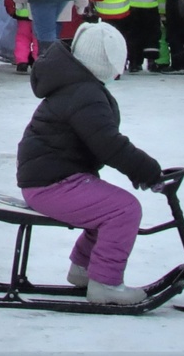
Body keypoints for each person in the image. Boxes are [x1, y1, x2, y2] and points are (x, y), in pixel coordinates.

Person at [16, 24, 171, 308]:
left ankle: (84, 269)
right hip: (51, 183)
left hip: (50, 178)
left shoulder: (77, 87)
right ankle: (106, 284)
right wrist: (146, 169)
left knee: (107, 206)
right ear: (106, 65)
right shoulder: (84, 94)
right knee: (123, 209)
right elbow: (108, 144)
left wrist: (141, 170)